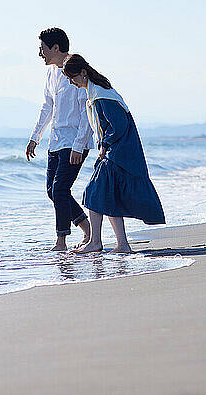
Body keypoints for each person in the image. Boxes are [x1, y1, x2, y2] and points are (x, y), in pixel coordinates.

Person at [62, 54, 165, 253]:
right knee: (106, 195)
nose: (71, 82)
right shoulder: (97, 92)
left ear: (83, 73)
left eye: (72, 77)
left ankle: (96, 243)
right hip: (117, 151)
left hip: (118, 152)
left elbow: (118, 125)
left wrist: (104, 144)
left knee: (94, 193)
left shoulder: (101, 95)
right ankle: (122, 245)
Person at [25, 28, 94, 251]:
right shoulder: (51, 74)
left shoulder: (75, 70)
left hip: (74, 141)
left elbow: (86, 111)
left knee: (60, 190)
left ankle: (61, 241)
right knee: (52, 191)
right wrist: (35, 137)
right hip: (56, 141)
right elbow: (47, 106)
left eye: (42, 48)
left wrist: (79, 144)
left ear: (55, 48)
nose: (40, 53)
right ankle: (88, 230)